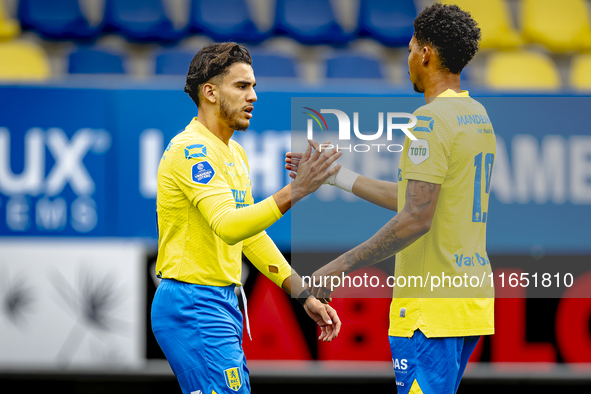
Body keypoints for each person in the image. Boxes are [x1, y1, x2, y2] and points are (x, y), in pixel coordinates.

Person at [286, 4, 494, 393]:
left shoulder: (428, 122)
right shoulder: (476, 115)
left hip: (427, 311)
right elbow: (418, 199)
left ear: (426, 54)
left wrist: (338, 266)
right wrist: (337, 176)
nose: (409, 59)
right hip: (468, 303)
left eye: (411, 48)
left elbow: (416, 216)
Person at [151, 42, 342, 394]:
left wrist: (304, 294)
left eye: (253, 86)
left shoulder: (234, 152)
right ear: (209, 92)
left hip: (218, 302)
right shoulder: (191, 151)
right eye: (242, 86)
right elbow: (228, 226)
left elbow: (249, 236)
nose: (253, 96)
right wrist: (295, 191)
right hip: (193, 303)